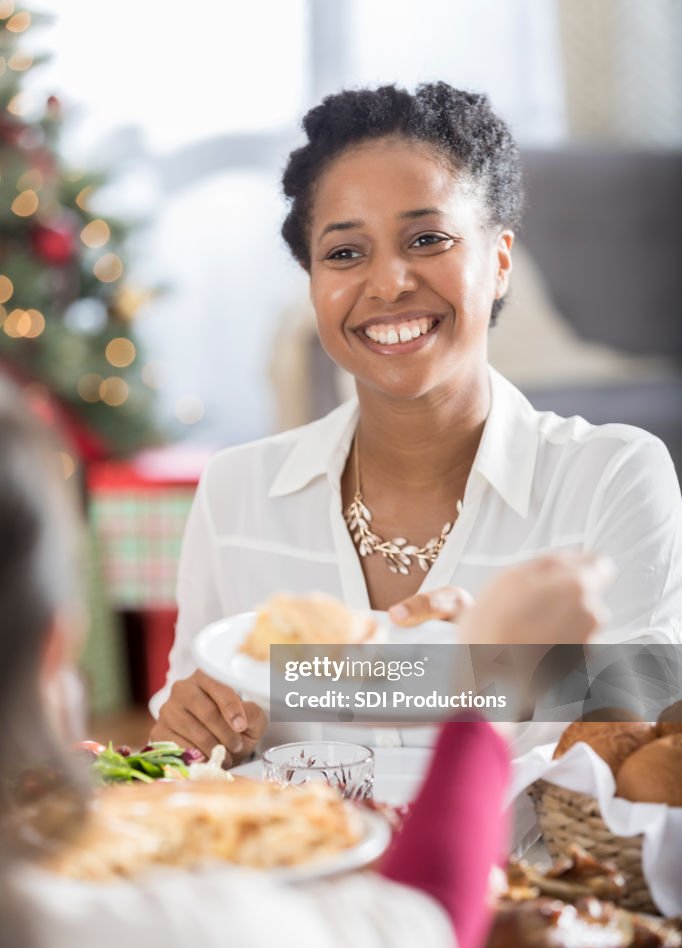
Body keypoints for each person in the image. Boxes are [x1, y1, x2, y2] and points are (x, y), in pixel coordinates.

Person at [150, 82, 682, 761]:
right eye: (344, 253)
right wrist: (189, 733)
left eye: (427, 239)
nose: (388, 282)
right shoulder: (236, 492)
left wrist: (465, 671)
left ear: (500, 260)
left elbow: (639, 767)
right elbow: (184, 756)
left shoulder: (611, 477)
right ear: (312, 281)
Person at [0, 383, 510, 948]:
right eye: (341, 269)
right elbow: (421, 940)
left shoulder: (613, 470)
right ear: (59, 640)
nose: (389, 283)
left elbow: (647, 707)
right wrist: (478, 675)